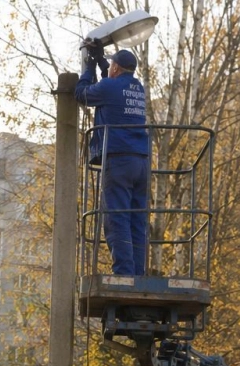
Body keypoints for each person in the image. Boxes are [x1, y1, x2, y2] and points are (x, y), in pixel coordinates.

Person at [75, 46, 151, 276]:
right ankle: (137, 273)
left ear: (116, 67)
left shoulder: (109, 86)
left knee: (117, 217)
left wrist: (88, 68)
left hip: (118, 160)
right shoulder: (138, 88)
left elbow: (82, 94)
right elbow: (114, 92)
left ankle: (124, 273)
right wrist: (103, 67)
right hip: (142, 161)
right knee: (137, 220)